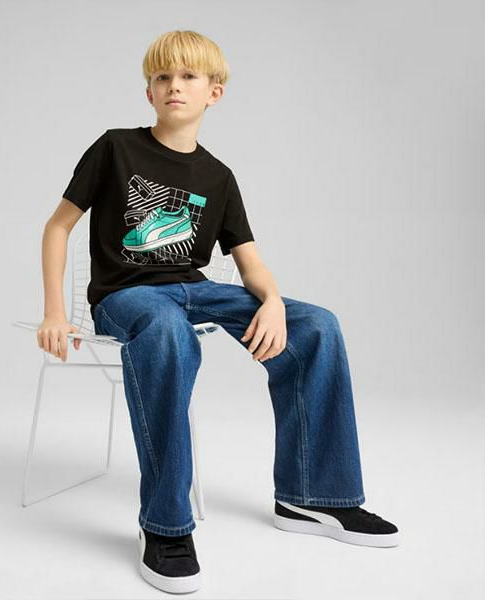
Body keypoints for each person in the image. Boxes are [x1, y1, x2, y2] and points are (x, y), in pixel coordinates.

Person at [37, 30, 399, 595]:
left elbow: (250, 262)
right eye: (162, 77)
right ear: (149, 93)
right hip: (126, 297)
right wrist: (55, 312)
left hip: (195, 289)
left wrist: (272, 301)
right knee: (167, 331)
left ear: (214, 93)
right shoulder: (115, 147)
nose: (174, 86)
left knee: (317, 325)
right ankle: (165, 526)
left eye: (188, 76)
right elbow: (58, 226)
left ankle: (313, 497)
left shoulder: (219, 177)